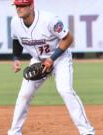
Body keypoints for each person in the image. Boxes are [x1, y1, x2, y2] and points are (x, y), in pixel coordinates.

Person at [8, 0, 95, 135]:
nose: (18, 8)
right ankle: (14, 132)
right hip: (38, 61)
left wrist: (52, 59)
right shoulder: (15, 22)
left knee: (65, 90)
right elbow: (16, 39)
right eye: (17, 5)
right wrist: (16, 58)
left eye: (22, 5)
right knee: (24, 95)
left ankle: (87, 131)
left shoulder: (49, 19)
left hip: (60, 59)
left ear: (31, 6)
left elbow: (68, 38)